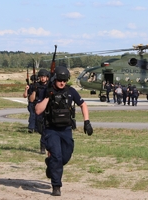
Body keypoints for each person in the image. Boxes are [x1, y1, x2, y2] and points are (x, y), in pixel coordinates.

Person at [35, 66, 93, 196]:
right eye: (60, 80)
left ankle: (50, 164)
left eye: (65, 80)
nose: (62, 83)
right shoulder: (46, 91)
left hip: (66, 129)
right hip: (51, 130)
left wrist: (87, 122)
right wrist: (48, 97)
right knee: (57, 156)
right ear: (55, 79)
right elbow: (38, 110)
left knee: (65, 157)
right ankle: (56, 186)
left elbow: (83, 104)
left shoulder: (71, 91)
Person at [29, 69, 49, 154]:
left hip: (48, 109)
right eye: (41, 77)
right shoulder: (35, 86)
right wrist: (34, 90)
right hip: (39, 109)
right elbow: (31, 99)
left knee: (46, 130)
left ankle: (44, 147)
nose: (43, 78)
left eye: (44, 77)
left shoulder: (50, 86)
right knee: (41, 129)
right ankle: (43, 145)